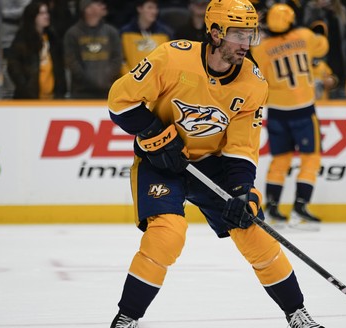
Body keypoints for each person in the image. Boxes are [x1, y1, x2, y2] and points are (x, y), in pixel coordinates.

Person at [106, 0, 326, 327]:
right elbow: (119, 101)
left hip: (214, 167)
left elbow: (241, 147)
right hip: (162, 162)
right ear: (215, 33)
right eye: (238, 34)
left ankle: (297, 313)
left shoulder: (254, 84)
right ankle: (128, 317)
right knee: (167, 235)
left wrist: (242, 191)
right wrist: (156, 134)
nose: (246, 43)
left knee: (255, 234)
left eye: (250, 34)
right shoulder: (171, 57)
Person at [250, 4, 329, 231]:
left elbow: (259, 77)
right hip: (303, 108)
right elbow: (322, 48)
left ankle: (273, 209)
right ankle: (300, 208)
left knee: (280, 159)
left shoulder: (261, 49)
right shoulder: (304, 36)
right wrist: (320, 32)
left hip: (276, 110)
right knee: (310, 158)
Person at [7, 0, 67, 99]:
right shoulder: (22, 39)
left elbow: (60, 68)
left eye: (47, 12)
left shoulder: (53, 38)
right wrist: (25, 88)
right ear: (32, 16)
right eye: (42, 13)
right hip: (29, 100)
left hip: (52, 98)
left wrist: (60, 91)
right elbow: (13, 67)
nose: (46, 16)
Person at [63, 0, 122, 99]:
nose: (103, 6)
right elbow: (71, 62)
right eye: (98, 4)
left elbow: (117, 59)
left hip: (107, 91)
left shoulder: (111, 32)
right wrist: (88, 80)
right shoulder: (72, 33)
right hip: (81, 93)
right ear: (87, 9)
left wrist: (106, 78)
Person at [119, 0, 173, 75]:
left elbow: (170, 60)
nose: (154, 11)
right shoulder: (124, 33)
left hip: (157, 81)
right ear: (139, 8)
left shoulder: (166, 33)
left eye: (156, 8)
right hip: (131, 81)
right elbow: (120, 60)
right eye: (150, 8)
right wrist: (130, 78)